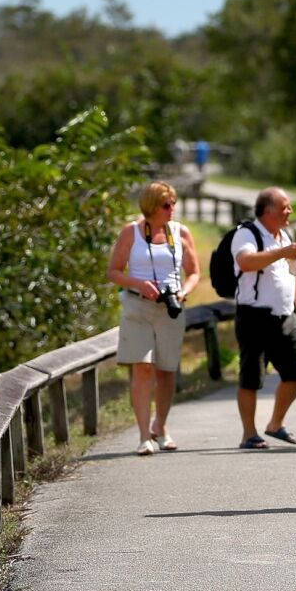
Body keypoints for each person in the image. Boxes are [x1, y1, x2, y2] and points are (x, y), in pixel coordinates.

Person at [107, 181, 201, 455]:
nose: (172, 209)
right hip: (138, 308)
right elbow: (113, 271)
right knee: (143, 367)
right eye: (166, 204)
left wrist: (184, 291)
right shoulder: (131, 232)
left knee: (166, 369)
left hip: (170, 310)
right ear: (151, 207)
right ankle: (143, 435)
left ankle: (161, 426)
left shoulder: (180, 231)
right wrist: (139, 284)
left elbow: (194, 272)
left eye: (173, 203)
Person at [231, 188, 296, 449]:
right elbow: (246, 262)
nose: (289, 211)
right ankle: (249, 434)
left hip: (286, 315)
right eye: (285, 207)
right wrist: (283, 252)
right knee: (251, 377)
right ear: (268, 211)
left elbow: (293, 275)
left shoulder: (285, 236)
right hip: (253, 316)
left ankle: (275, 424)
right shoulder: (246, 234)